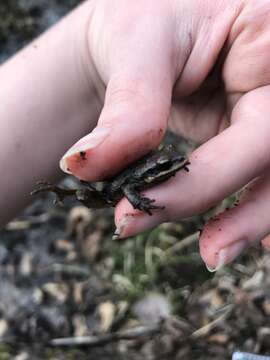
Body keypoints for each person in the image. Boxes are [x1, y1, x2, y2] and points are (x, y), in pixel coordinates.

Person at [1, 0, 270, 272]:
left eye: (171, 163)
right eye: (167, 165)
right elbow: (129, 187)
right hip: (115, 188)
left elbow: (160, 165)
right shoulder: (143, 177)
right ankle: (60, 191)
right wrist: (140, 202)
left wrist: (90, 54)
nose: (175, 164)